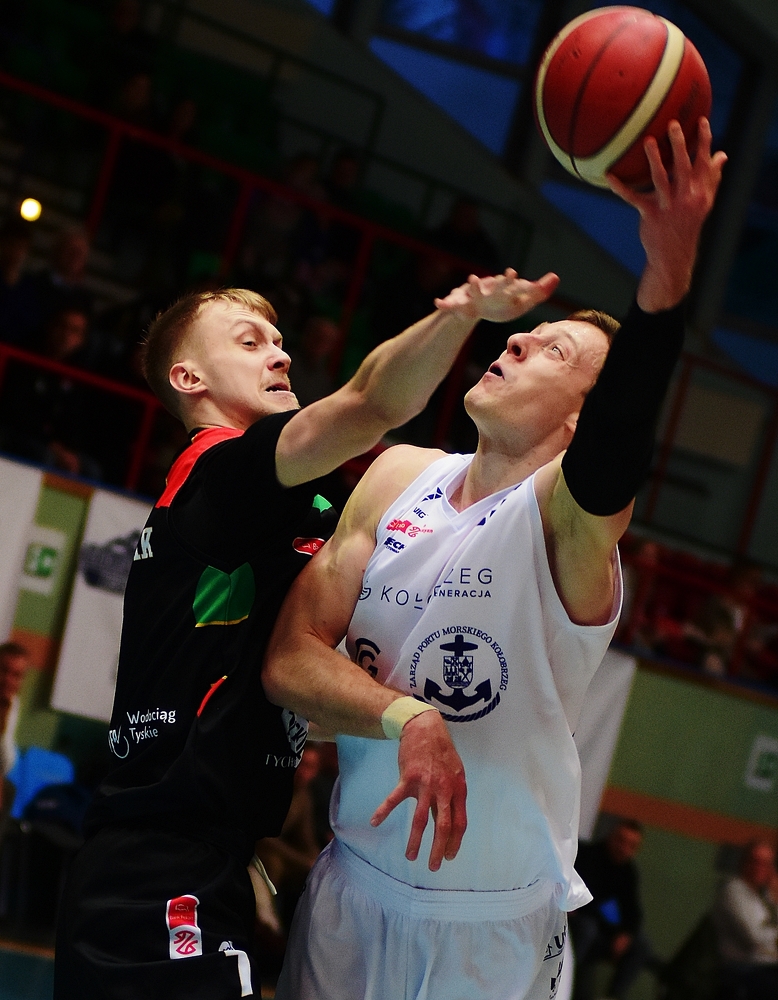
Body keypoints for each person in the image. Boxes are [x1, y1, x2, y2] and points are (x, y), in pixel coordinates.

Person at [263, 118, 726, 1000]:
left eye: (554, 351)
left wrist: (667, 273)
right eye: (525, 334)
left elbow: (621, 440)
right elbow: (289, 660)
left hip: (491, 935)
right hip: (350, 895)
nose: (515, 342)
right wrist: (407, 716)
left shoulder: (567, 522)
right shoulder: (396, 473)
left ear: (581, 417)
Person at [54, 268, 556, 998]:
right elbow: (372, 402)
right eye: (250, 342)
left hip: (200, 864)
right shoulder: (221, 472)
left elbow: (290, 675)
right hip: (155, 870)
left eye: (279, 339)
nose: (281, 354)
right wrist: (461, 313)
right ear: (189, 379)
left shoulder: (293, 504)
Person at [570, 820, 652, 1000]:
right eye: (621, 840)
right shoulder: (588, 856)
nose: (624, 848)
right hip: (579, 923)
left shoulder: (628, 872)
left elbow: (633, 911)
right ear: (611, 837)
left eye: (631, 845)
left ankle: (614, 995)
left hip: (604, 931)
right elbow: (586, 902)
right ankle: (564, 977)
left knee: (641, 945)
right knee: (587, 929)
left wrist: (625, 934)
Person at [711, 839, 778, 998]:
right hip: (740, 969)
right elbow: (754, 938)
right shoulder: (733, 890)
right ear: (744, 863)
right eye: (755, 861)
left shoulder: (762, 897)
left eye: (766, 864)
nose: (759, 868)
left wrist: (776, 897)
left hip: (765, 969)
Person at [0, 641, 30, 817]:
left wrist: (3, 726)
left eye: (16, 675)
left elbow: (7, 763)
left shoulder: (11, 703)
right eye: (4, 671)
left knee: (8, 790)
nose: (8, 680)